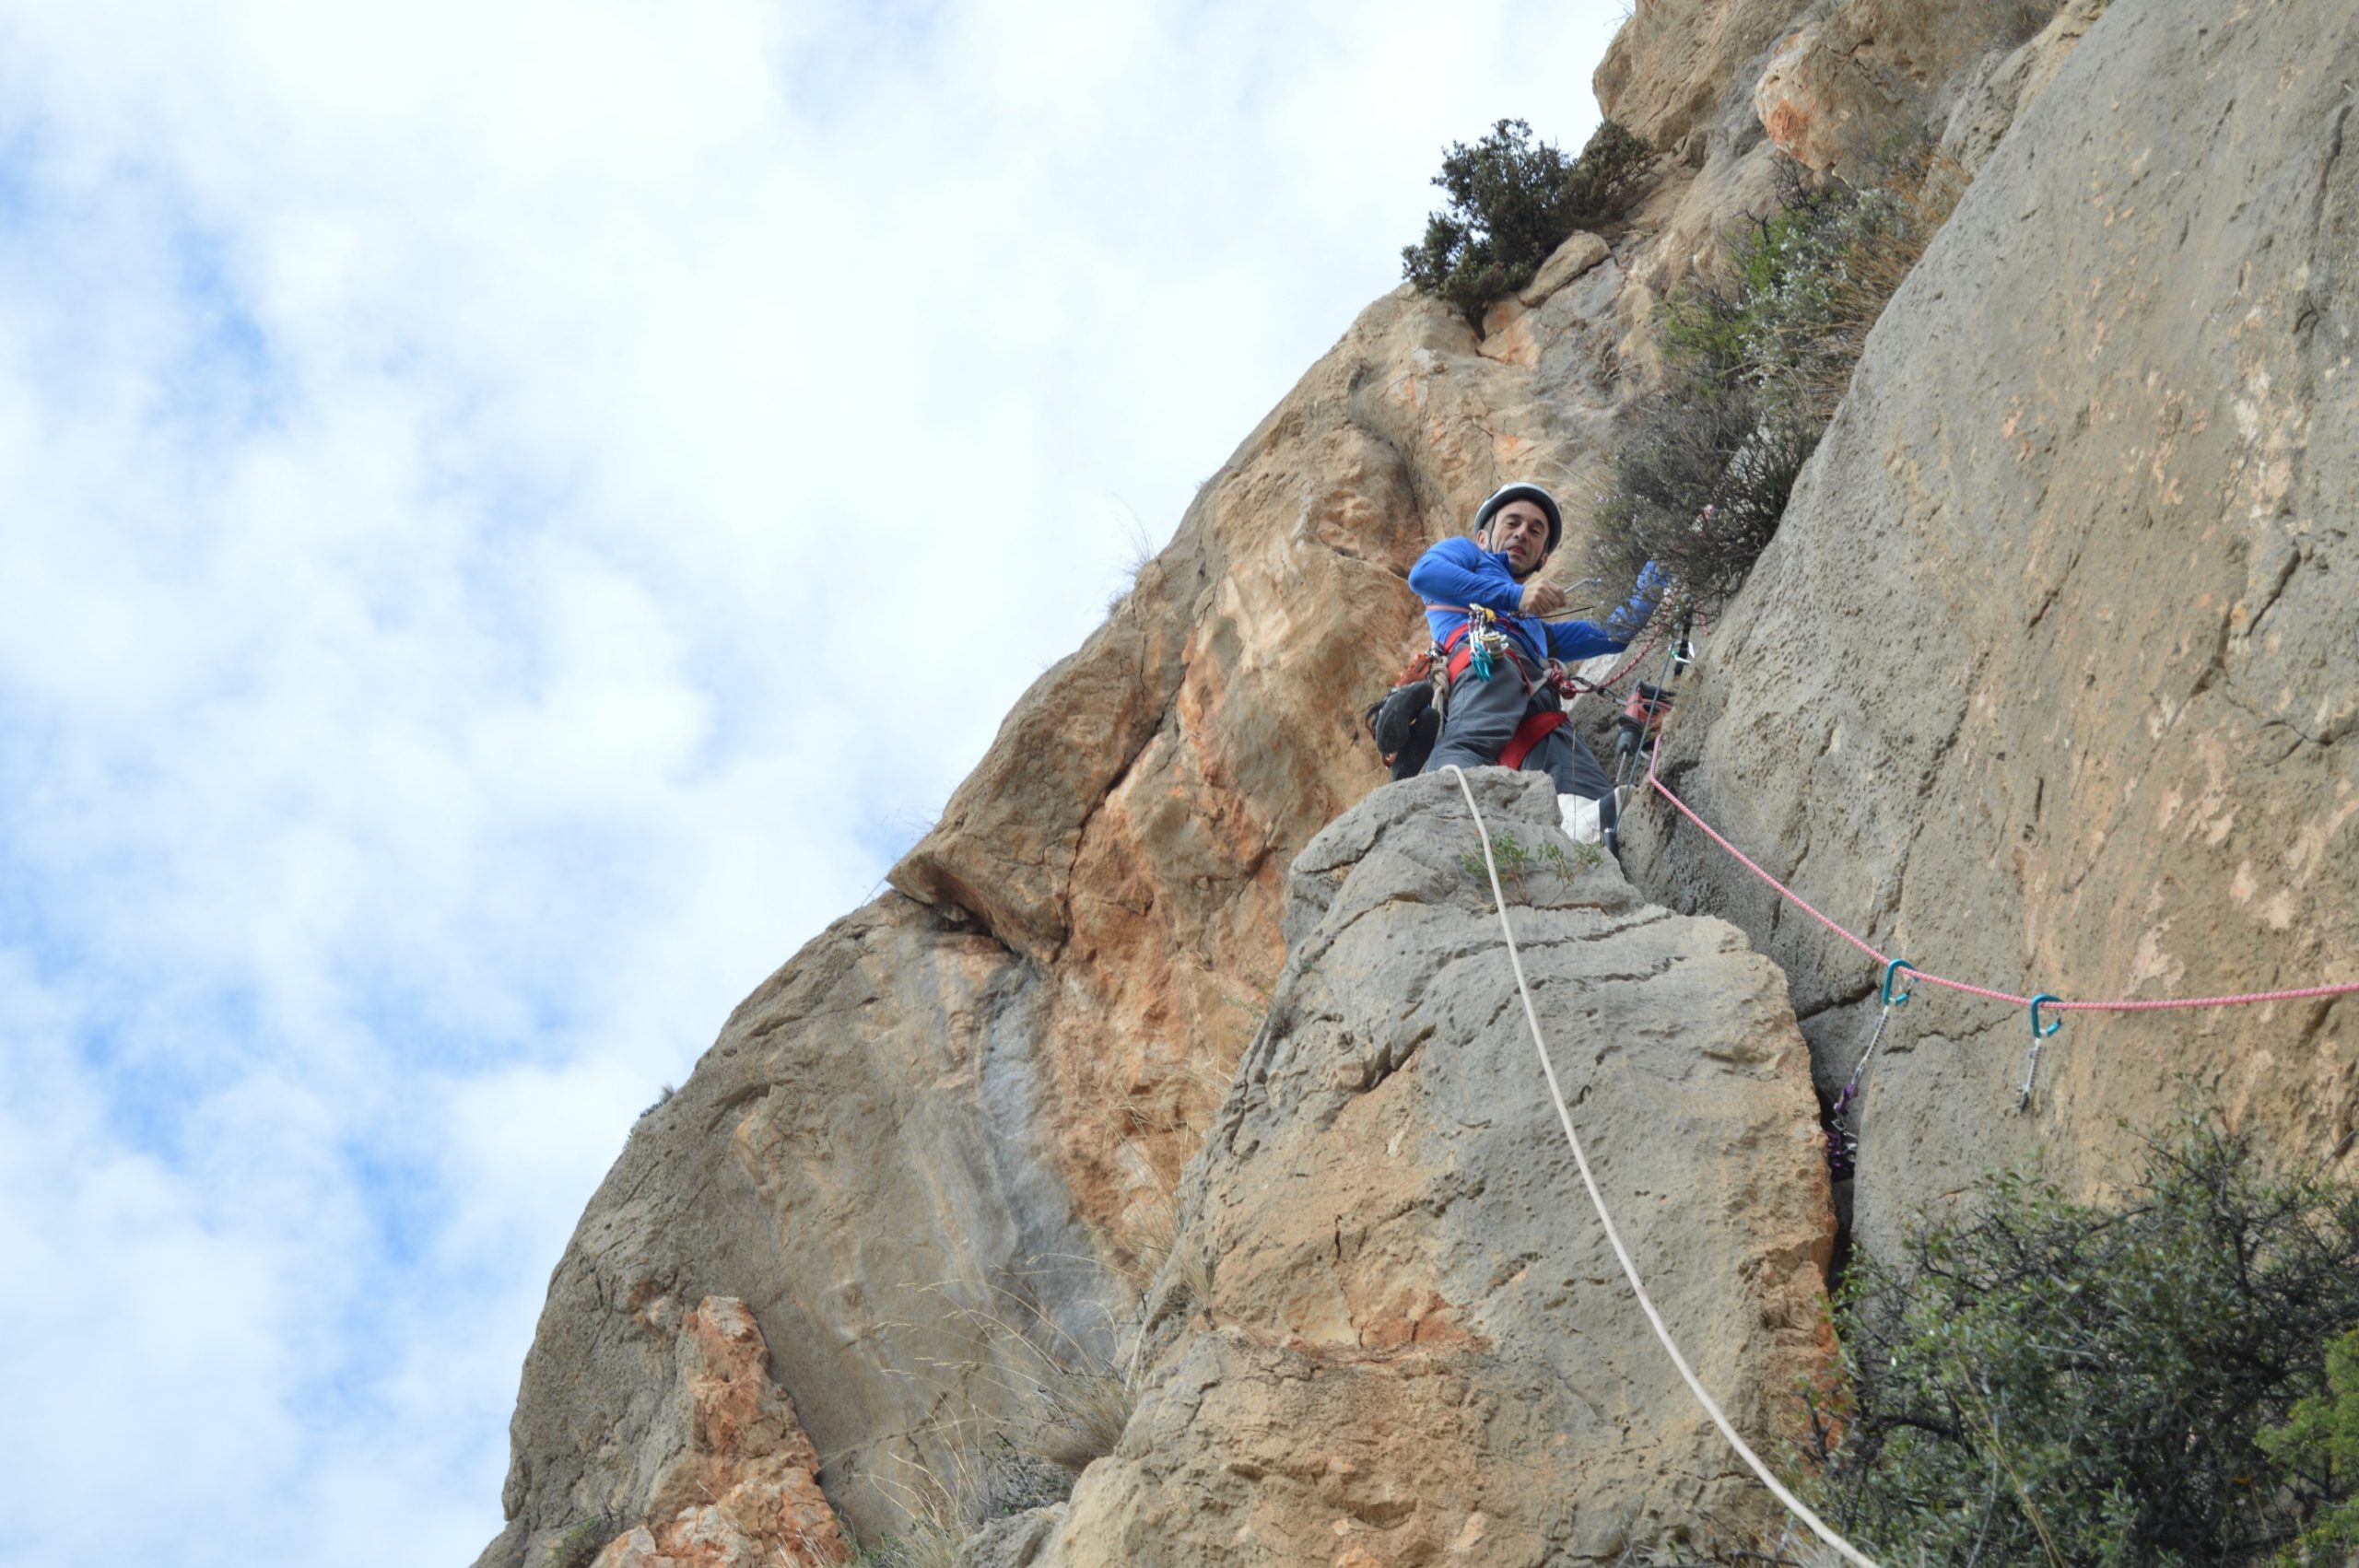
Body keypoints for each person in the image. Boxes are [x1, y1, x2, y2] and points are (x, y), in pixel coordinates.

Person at [1407, 481, 1665, 802]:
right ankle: (1442, 811)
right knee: (1468, 744)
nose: (1522, 533)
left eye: (1534, 530)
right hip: (1483, 663)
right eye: (1512, 522)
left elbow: (1617, 632)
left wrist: (1665, 560)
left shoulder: (1534, 631)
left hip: (1539, 710)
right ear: (1483, 538)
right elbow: (1423, 574)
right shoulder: (1467, 554)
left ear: (1542, 559)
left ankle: (1590, 825)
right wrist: (1515, 595)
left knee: (1599, 801)